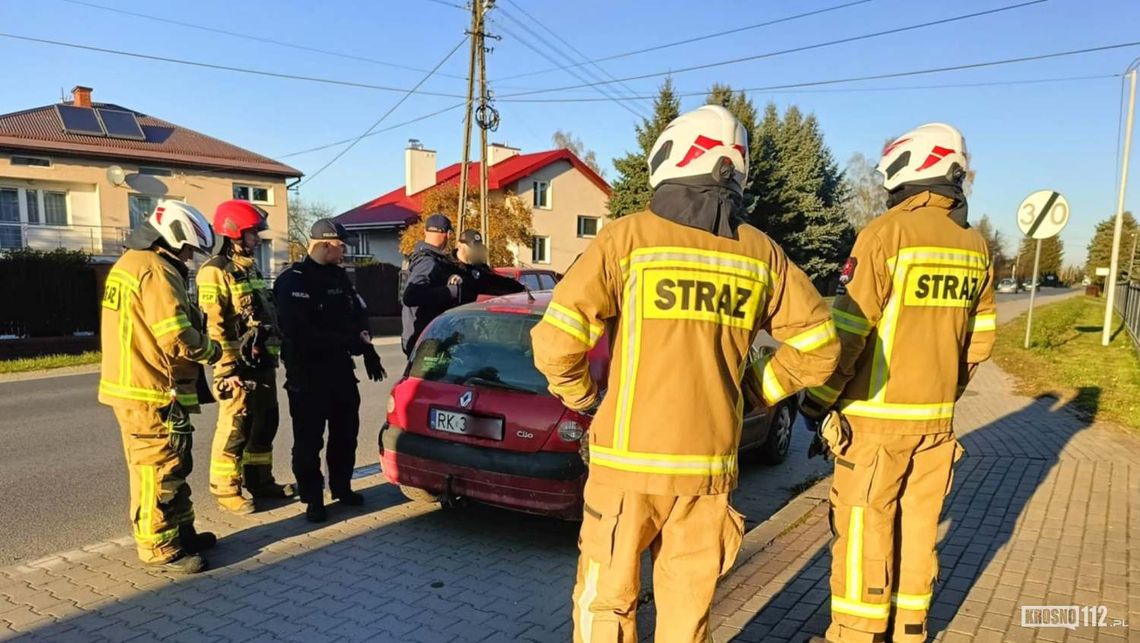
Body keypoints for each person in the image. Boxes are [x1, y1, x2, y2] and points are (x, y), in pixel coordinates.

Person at [531, 105, 841, 642]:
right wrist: (753, 392)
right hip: (708, 470)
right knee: (686, 616)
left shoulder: (627, 240)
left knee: (607, 607)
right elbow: (820, 347)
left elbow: (557, 341)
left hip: (627, 466)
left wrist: (586, 400)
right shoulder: (761, 253)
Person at [800, 123, 997, 643]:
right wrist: (942, 391)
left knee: (866, 530)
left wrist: (817, 400)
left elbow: (849, 332)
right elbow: (981, 339)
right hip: (935, 425)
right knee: (918, 533)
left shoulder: (885, 234)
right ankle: (911, 630)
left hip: (874, 425)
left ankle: (855, 635)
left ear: (908, 169)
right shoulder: (975, 246)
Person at [98, 200, 222, 573]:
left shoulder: (131, 264)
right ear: (172, 238)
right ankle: (159, 545)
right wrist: (211, 349)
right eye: (188, 250)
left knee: (173, 460)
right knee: (157, 466)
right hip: (150, 388)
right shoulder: (155, 270)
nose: (190, 258)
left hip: (138, 384)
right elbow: (175, 335)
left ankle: (181, 530)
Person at [273, 219, 387, 523]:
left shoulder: (340, 278)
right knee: (309, 440)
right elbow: (302, 333)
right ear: (325, 244)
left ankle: (342, 487)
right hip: (307, 374)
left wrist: (365, 342)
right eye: (341, 245)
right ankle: (313, 498)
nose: (345, 252)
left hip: (339, 371)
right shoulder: (293, 281)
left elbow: (357, 312)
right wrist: (350, 339)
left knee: (345, 433)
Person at [197, 200, 294, 515]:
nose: (257, 239)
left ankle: (260, 480)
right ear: (235, 233)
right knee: (236, 425)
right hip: (236, 365)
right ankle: (226, 489)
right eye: (253, 233)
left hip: (262, 362)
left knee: (265, 423)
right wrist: (225, 369)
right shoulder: (215, 272)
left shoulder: (247, 267)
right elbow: (215, 324)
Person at [401, 213, 464, 356]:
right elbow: (410, 296)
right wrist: (451, 291)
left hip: (420, 338)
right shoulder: (428, 262)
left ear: (425, 232)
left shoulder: (420, 257)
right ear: (448, 234)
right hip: (426, 340)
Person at [452, 228, 525, 302]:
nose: (475, 251)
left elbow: (496, 281)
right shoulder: (447, 265)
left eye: (477, 248)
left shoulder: (480, 268)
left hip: (472, 311)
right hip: (452, 312)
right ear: (459, 245)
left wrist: (521, 288)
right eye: (471, 248)